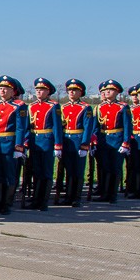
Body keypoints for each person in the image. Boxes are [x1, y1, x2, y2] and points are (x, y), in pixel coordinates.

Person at [0, 76, 28, 215]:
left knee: (9, 175)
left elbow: (20, 128)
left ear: (12, 91)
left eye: (6, 88)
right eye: (1, 88)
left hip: (10, 144)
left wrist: (18, 147)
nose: (3, 90)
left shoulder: (18, 106)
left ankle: (7, 203)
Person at [24, 77, 64, 211]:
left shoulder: (53, 106)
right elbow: (28, 126)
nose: (39, 92)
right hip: (35, 141)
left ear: (48, 92)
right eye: (37, 89)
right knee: (36, 172)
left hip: (47, 141)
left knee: (46, 172)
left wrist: (58, 145)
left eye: (42, 89)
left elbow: (57, 127)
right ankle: (36, 199)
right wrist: (26, 142)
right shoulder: (32, 106)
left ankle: (44, 201)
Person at [94, 79, 132, 204]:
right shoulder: (100, 107)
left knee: (115, 168)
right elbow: (96, 127)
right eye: (106, 90)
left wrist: (125, 143)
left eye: (110, 90)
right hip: (103, 140)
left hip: (117, 140)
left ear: (116, 92)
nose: (107, 92)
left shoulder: (123, 107)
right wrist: (94, 141)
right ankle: (104, 193)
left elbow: (127, 126)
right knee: (105, 168)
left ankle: (113, 195)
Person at [59, 79, 95, 207]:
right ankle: (68, 196)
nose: (71, 92)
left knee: (78, 170)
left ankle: (77, 197)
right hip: (67, 140)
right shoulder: (64, 107)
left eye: (75, 90)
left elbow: (88, 127)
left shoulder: (85, 108)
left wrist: (85, 144)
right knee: (69, 170)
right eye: (69, 90)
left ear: (81, 92)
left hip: (78, 140)